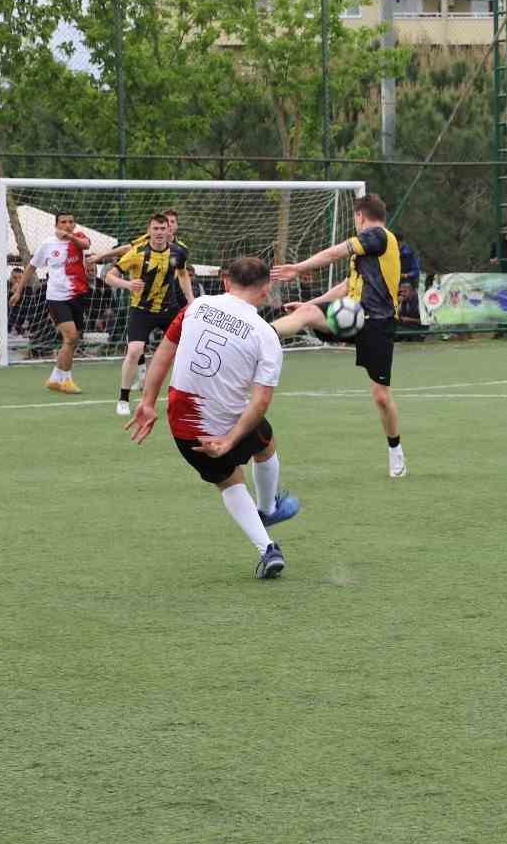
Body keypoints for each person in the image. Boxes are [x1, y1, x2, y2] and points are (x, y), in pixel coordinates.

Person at [124, 256, 299, 580]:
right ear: (266, 290)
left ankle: (268, 548)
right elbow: (260, 402)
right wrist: (230, 440)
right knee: (265, 442)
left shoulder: (197, 306)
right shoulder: (265, 335)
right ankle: (268, 509)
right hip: (231, 423)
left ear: (226, 282)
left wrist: (147, 402)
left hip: (186, 427)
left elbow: (164, 352)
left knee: (228, 480)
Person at [272, 193, 407, 478]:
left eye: (355, 218)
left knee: (381, 396)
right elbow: (347, 285)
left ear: (360, 216)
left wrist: (297, 268)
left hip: (378, 324)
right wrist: (312, 303)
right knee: (306, 315)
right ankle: (260, 334)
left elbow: (334, 253)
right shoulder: (367, 252)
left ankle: (395, 450)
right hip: (350, 315)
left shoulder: (378, 236)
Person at [103, 213, 194, 417]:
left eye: (163, 228)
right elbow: (108, 276)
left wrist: (191, 300)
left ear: (168, 230)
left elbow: (182, 274)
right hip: (141, 310)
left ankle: (186, 395)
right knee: (135, 350)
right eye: (156, 228)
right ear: (149, 230)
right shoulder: (137, 252)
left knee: (186, 350)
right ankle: (123, 399)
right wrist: (128, 285)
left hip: (168, 310)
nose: (160, 232)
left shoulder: (178, 252)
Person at [11, 213, 91, 393]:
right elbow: (32, 266)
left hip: (77, 296)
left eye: (71, 222)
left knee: (73, 340)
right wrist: (19, 290)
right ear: (56, 225)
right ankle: (66, 380)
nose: (68, 225)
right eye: (63, 222)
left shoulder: (78, 238)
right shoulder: (48, 244)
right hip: (57, 298)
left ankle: (55, 378)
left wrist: (70, 236)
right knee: (70, 337)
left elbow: (85, 245)